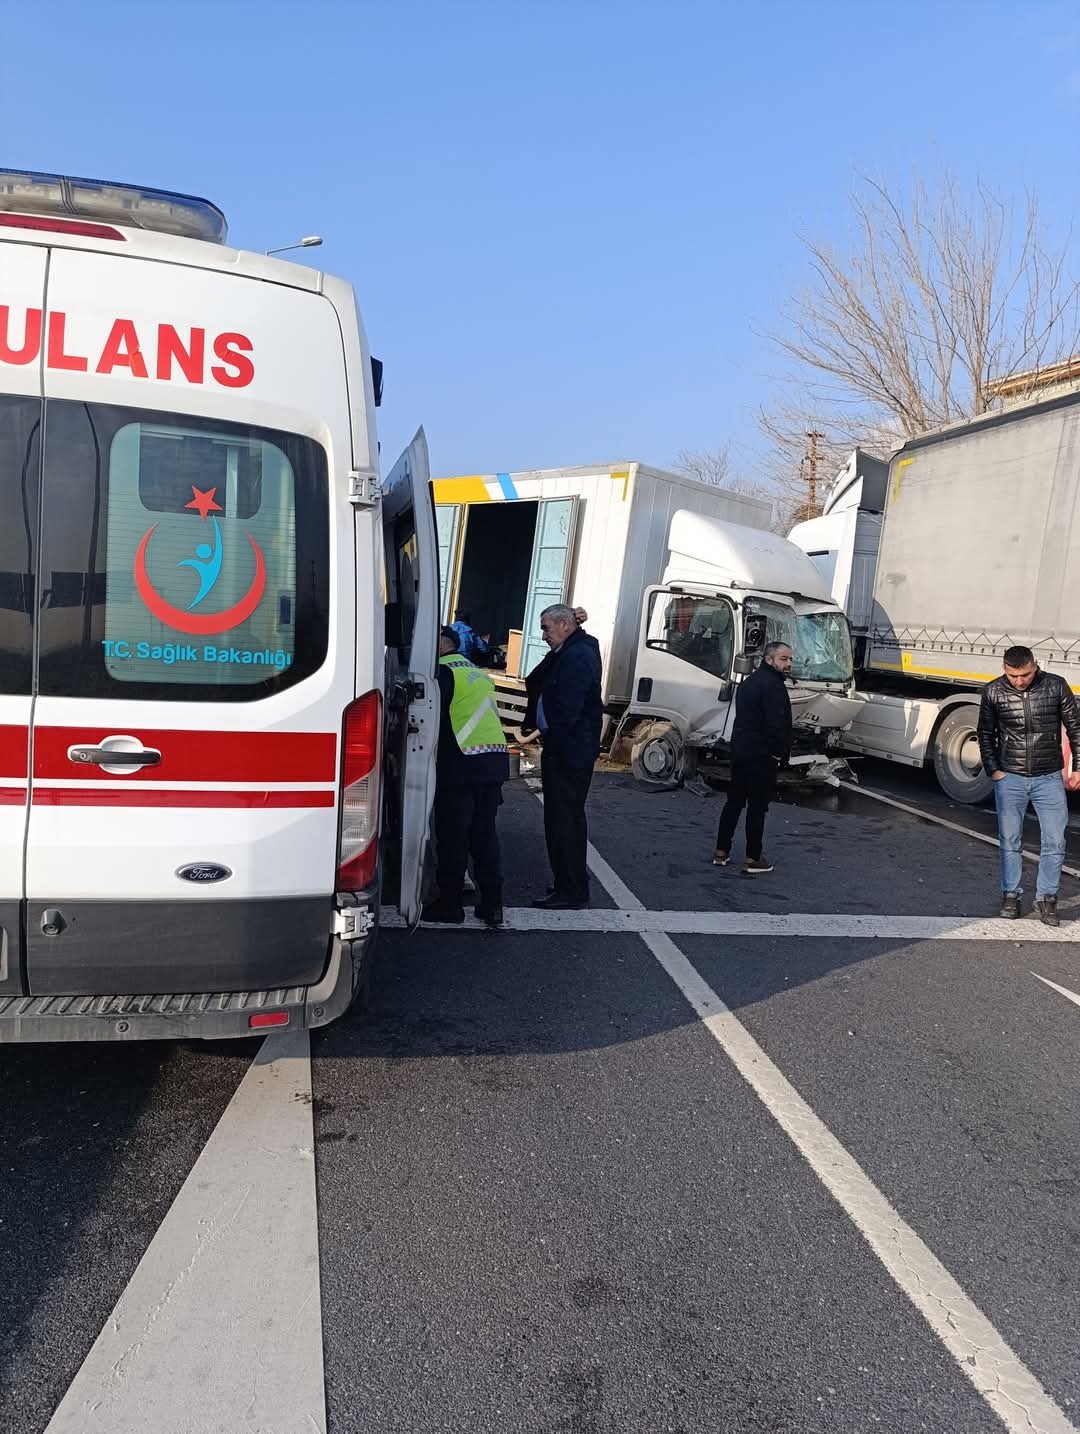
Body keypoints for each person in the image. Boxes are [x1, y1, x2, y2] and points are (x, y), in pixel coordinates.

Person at [977, 645, 1080, 926]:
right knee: (1010, 841)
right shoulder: (993, 692)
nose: (1020, 680)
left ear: (1035, 665)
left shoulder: (1056, 686)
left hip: (1049, 778)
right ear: (1004, 670)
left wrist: (1078, 767)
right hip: (1010, 777)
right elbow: (985, 733)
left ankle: (1047, 899)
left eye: (1025, 674)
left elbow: (1076, 728)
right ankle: (1011, 895)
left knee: (1055, 841)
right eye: (1013, 676)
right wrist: (994, 771)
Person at [423, 626, 509, 928]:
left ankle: (450, 904)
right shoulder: (476, 672)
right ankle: (493, 905)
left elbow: (428, 719)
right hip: (493, 760)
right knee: (484, 836)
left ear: (439, 646)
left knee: (453, 837)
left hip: (460, 763)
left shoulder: (442, 674)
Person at [522, 604, 602, 909]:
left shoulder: (578, 655)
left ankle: (571, 889)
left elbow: (568, 709)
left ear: (566, 625)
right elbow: (537, 677)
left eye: (547, 627)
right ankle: (569, 882)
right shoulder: (571, 649)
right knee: (561, 819)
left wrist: (553, 735)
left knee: (564, 821)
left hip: (568, 751)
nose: (543, 635)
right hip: (565, 748)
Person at [713, 640, 793, 874]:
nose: (789, 663)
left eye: (790, 659)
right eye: (783, 659)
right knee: (757, 807)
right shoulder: (773, 686)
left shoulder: (749, 683)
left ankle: (721, 852)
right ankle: (753, 858)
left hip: (741, 751)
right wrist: (779, 753)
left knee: (734, 802)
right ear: (769, 660)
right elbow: (777, 725)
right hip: (763, 755)